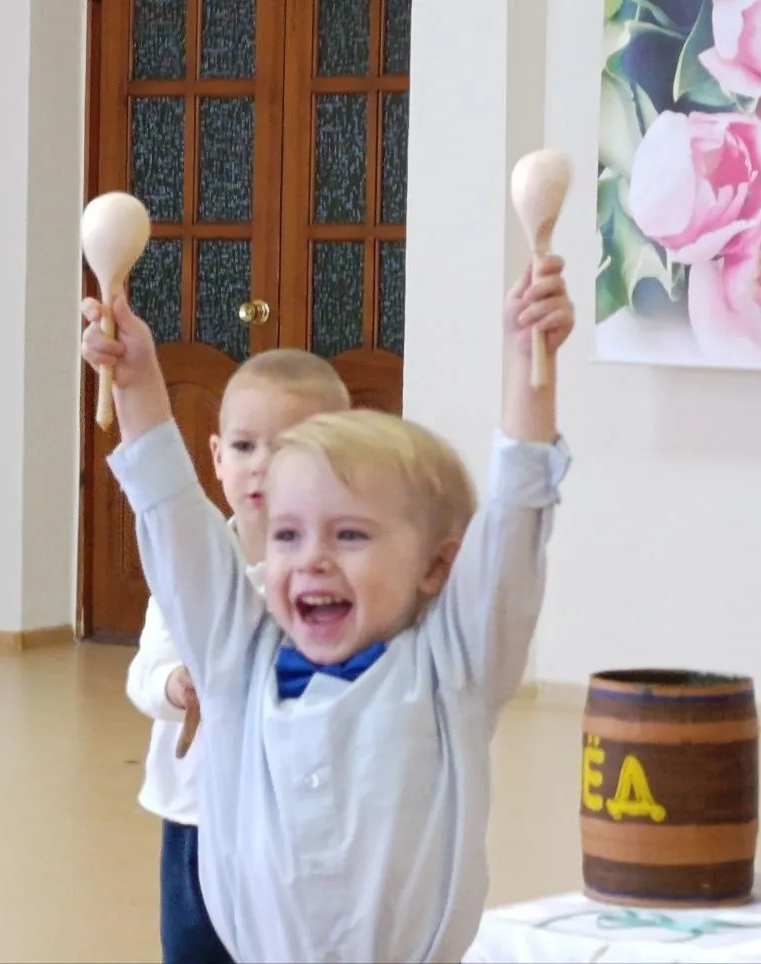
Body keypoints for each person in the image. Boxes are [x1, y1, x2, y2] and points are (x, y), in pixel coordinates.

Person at [80, 257, 575, 962]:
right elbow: (172, 514)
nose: (312, 559)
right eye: (287, 535)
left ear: (437, 564)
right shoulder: (236, 665)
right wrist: (135, 380)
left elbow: (515, 524)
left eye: (350, 535)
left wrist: (530, 362)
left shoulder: (454, 672)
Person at [116, 345, 349, 964]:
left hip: (294, 827)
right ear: (216, 457)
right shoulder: (190, 572)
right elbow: (144, 673)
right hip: (194, 817)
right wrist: (174, 685)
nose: (262, 466)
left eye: (290, 447)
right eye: (244, 447)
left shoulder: (342, 584)